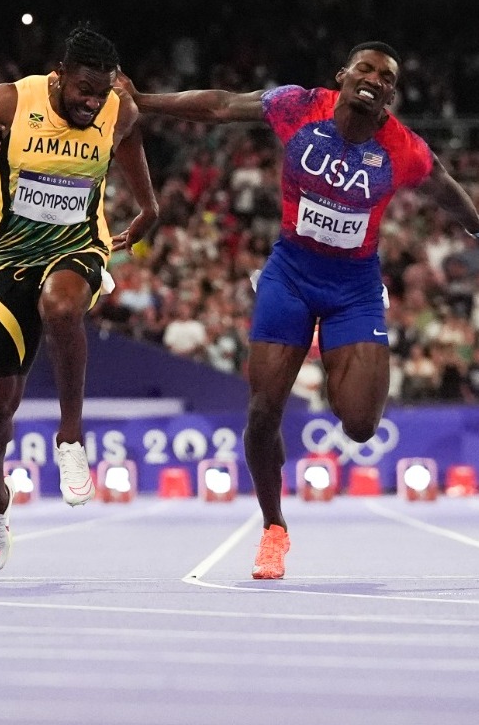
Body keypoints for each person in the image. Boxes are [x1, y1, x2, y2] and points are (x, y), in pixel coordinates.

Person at [124, 42, 479, 580]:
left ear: (390, 95)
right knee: (263, 410)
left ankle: (339, 358)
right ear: (343, 76)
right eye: (365, 67)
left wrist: (477, 225)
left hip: (355, 286)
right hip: (289, 274)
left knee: (359, 424)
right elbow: (221, 103)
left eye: (386, 76)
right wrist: (144, 100)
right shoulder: (299, 106)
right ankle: (273, 528)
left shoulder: (401, 148)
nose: (374, 78)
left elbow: (444, 190)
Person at [0, 26, 158, 572]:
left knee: (61, 307)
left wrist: (148, 208)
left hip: (78, 247)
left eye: (99, 93)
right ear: (59, 76)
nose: (90, 102)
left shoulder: (115, 108)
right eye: (82, 89)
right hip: (10, 261)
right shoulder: (10, 101)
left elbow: (128, 140)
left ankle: (71, 439)